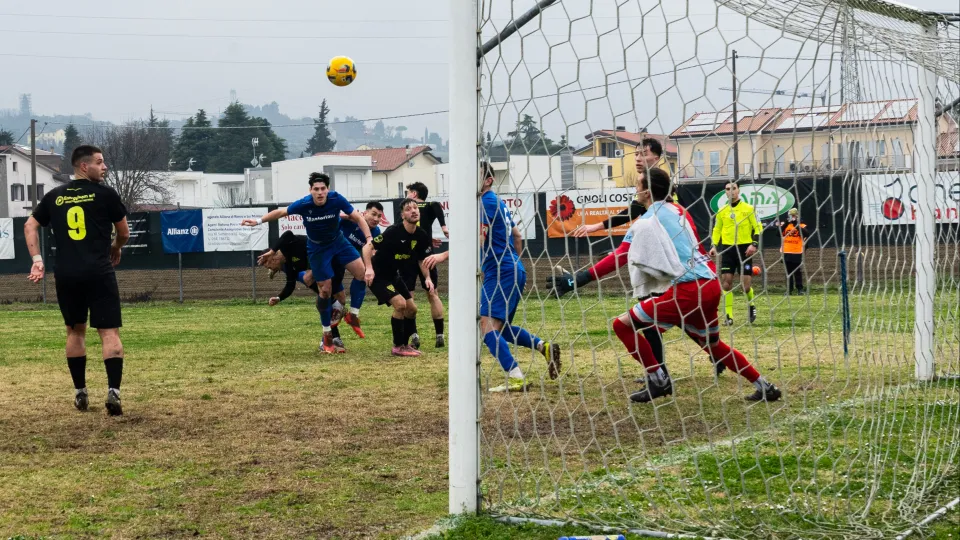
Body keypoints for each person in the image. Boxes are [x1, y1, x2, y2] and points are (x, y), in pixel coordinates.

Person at [613, 168, 782, 403]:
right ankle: (764, 386)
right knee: (712, 345)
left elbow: (619, 256)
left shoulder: (649, 220)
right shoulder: (679, 210)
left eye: (638, 185)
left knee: (622, 325)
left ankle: (659, 379)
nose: (635, 190)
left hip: (689, 289)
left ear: (648, 191)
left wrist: (580, 279)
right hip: (709, 282)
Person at [24, 145, 129, 415]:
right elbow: (124, 233)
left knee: (74, 331)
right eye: (100, 162)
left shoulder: (55, 196)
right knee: (109, 333)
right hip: (98, 271)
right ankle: (113, 393)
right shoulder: (105, 194)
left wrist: (37, 260)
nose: (104, 167)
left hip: (67, 274)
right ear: (84, 167)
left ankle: (81, 393)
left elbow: (29, 225)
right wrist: (115, 246)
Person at [241, 172, 373, 353]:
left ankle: (354, 315)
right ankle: (327, 334)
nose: (320, 193)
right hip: (318, 249)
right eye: (316, 189)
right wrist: (257, 221)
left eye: (323, 189)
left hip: (338, 242)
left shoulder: (336, 199)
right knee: (325, 291)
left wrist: (368, 239)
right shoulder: (304, 203)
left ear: (328, 190)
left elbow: (358, 217)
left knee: (362, 273)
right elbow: (280, 212)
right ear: (310, 190)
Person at [479, 162, 562, 392]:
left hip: (501, 272)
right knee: (501, 329)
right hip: (513, 269)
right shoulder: (498, 202)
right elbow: (516, 236)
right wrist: (513, 262)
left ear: (488, 180)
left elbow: (480, 239)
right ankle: (542, 346)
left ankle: (516, 377)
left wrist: (447, 254)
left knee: (485, 326)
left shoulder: (485, 201)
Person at [362, 199, 433, 357]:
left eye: (415, 208)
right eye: (408, 209)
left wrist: (427, 278)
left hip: (393, 275)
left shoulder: (421, 235)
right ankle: (398, 346)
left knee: (412, 309)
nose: (413, 211)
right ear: (402, 215)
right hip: (378, 276)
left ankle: (405, 345)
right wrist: (368, 269)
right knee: (400, 304)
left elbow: (422, 260)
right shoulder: (393, 232)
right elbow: (367, 247)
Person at [570, 138, 665, 238]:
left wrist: (595, 227)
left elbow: (632, 212)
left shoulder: (659, 183)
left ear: (657, 159)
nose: (638, 158)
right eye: (636, 154)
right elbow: (633, 211)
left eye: (644, 154)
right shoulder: (646, 181)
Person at [328, 201, 384, 340]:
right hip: (330, 259)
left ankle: (353, 314)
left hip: (347, 262)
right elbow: (332, 217)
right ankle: (331, 337)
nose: (376, 219)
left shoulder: (376, 232)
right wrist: (348, 216)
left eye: (379, 216)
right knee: (330, 297)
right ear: (364, 213)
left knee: (362, 275)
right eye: (373, 214)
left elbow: (372, 251)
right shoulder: (351, 221)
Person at [708, 182, 763, 325]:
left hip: (745, 250)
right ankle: (728, 316)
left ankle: (751, 306)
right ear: (725, 192)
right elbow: (717, 230)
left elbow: (758, 227)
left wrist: (754, 244)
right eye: (727, 189)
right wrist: (714, 246)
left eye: (733, 188)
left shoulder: (749, 209)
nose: (730, 191)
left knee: (745, 287)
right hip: (727, 249)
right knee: (726, 283)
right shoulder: (722, 211)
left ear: (738, 190)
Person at [404, 182, 448, 348]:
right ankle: (439, 335)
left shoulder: (411, 209)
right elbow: (436, 206)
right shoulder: (429, 207)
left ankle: (414, 336)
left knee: (409, 295)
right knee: (432, 293)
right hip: (426, 254)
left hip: (408, 257)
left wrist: (443, 227)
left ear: (414, 194)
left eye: (408, 192)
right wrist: (442, 227)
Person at [777, 208, 809, 295]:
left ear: (797, 216)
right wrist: (787, 223)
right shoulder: (785, 225)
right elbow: (777, 233)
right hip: (786, 251)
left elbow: (806, 234)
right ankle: (789, 290)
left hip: (797, 251)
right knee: (788, 272)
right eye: (791, 216)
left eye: (794, 216)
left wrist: (796, 224)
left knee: (797, 271)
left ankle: (800, 289)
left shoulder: (802, 225)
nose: (793, 217)